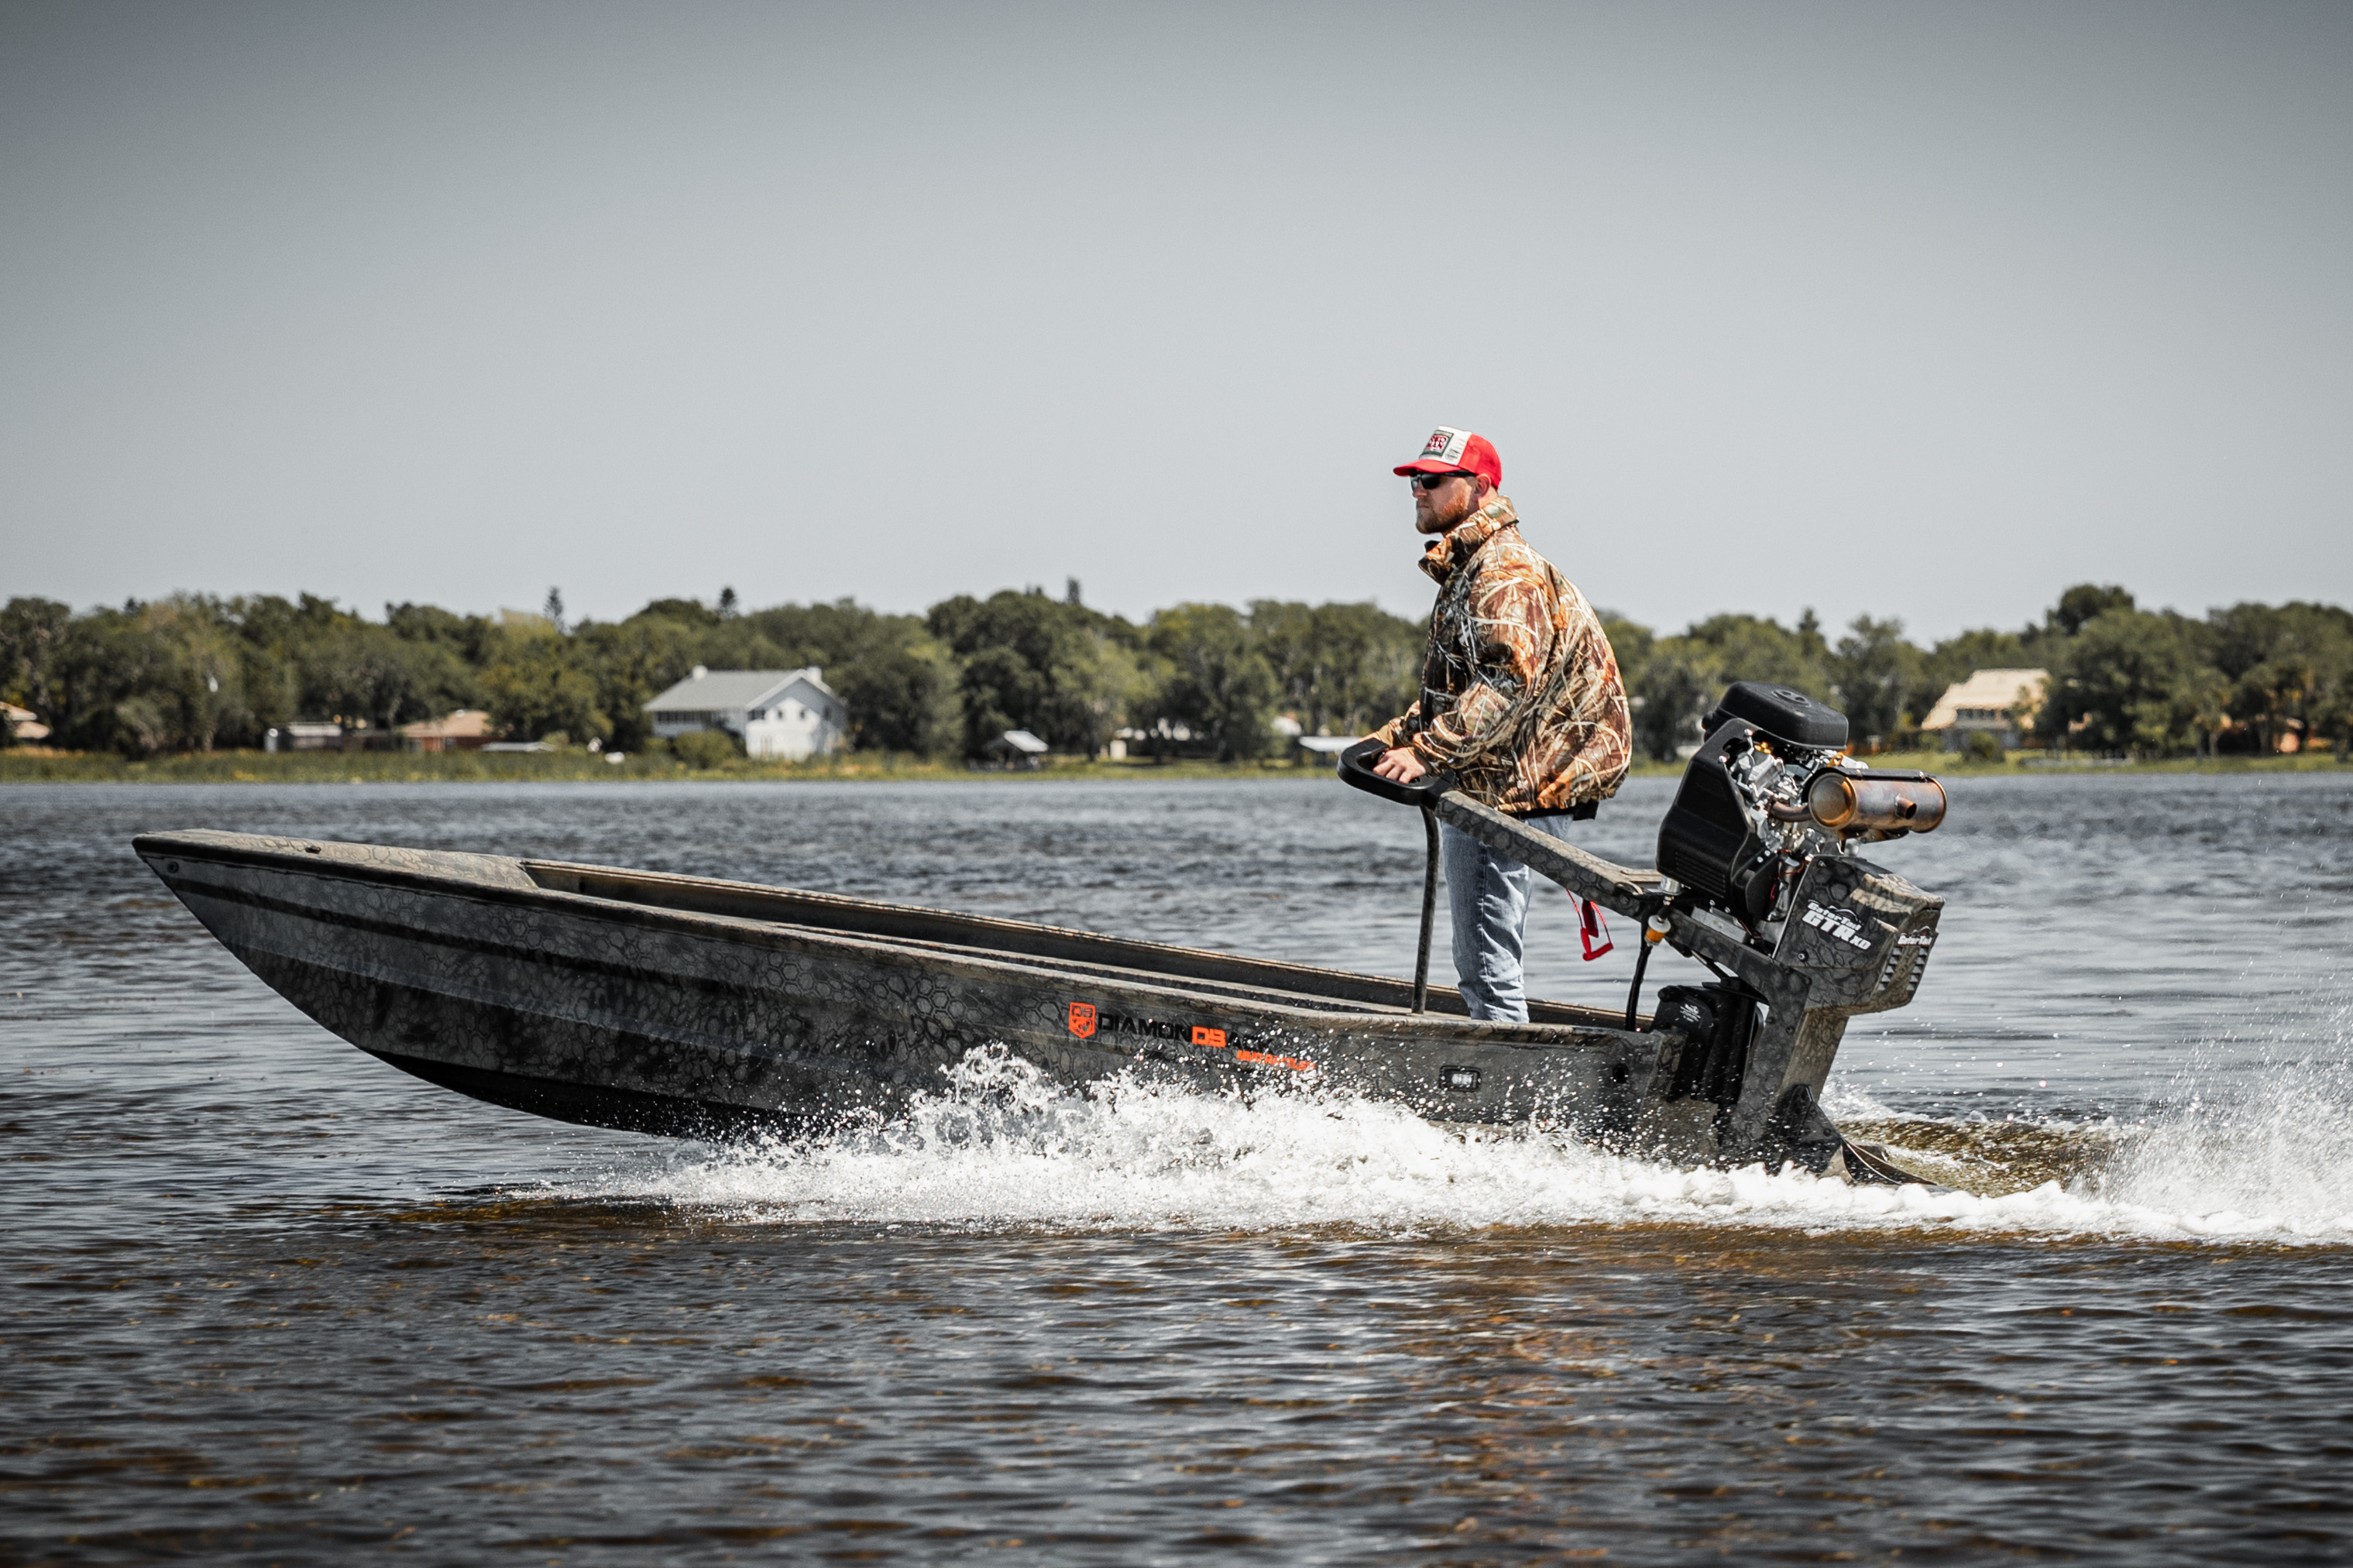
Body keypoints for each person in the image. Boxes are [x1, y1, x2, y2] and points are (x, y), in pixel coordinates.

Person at [1365, 427, 1632, 1022]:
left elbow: (1506, 681)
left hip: (1508, 788)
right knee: (1485, 960)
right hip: (1498, 776)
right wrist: (1392, 738)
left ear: (1482, 487)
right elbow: (1458, 690)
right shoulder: (1475, 567)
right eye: (1415, 480)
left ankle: (1507, 1082)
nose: (1418, 490)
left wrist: (1426, 753)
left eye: (1434, 480)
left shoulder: (1502, 573)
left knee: (1486, 967)